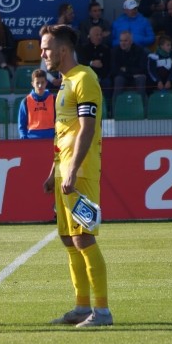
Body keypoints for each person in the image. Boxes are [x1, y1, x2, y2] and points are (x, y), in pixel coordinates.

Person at [39, 24, 112, 328]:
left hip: (79, 173)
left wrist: (70, 170)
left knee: (84, 238)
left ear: (63, 50)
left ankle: (103, 311)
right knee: (69, 239)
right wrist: (53, 171)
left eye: (46, 48)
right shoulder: (64, 83)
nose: (43, 54)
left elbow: (87, 128)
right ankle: (82, 307)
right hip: (65, 172)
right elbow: (64, 133)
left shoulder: (85, 78)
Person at [77, 25, 111, 104]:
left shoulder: (106, 49)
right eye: (97, 35)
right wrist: (91, 63)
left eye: (100, 35)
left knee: (107, 83)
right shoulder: (84, 48)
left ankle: (108, 107)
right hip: (88, 77)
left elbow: (108, 66)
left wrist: (100, 77)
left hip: (102, 77)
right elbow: (81, 62)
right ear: (90, 36)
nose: (99, 37)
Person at [110, 30, 147, 102]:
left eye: (125, 41)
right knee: (118, 79)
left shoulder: (139, 50)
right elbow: (114, 70)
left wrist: (126, 70)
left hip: (135, 77)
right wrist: (131, 74)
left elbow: (142, 69)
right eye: (121, 41)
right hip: (125, 76)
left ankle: (142, 108)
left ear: (131, 41)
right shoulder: (115, 51)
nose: (122, 43)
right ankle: (115, 110)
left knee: (141, 78)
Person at [18, 69, 56, 140]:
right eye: (37, 83)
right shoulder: (25, 101)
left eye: (42, 82)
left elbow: (59, 120)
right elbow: (22, 126)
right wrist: (24, 140)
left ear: (46, 83)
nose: (40, 85)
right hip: (32, 141)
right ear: (32, 84)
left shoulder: (54, 99)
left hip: (51, 139)